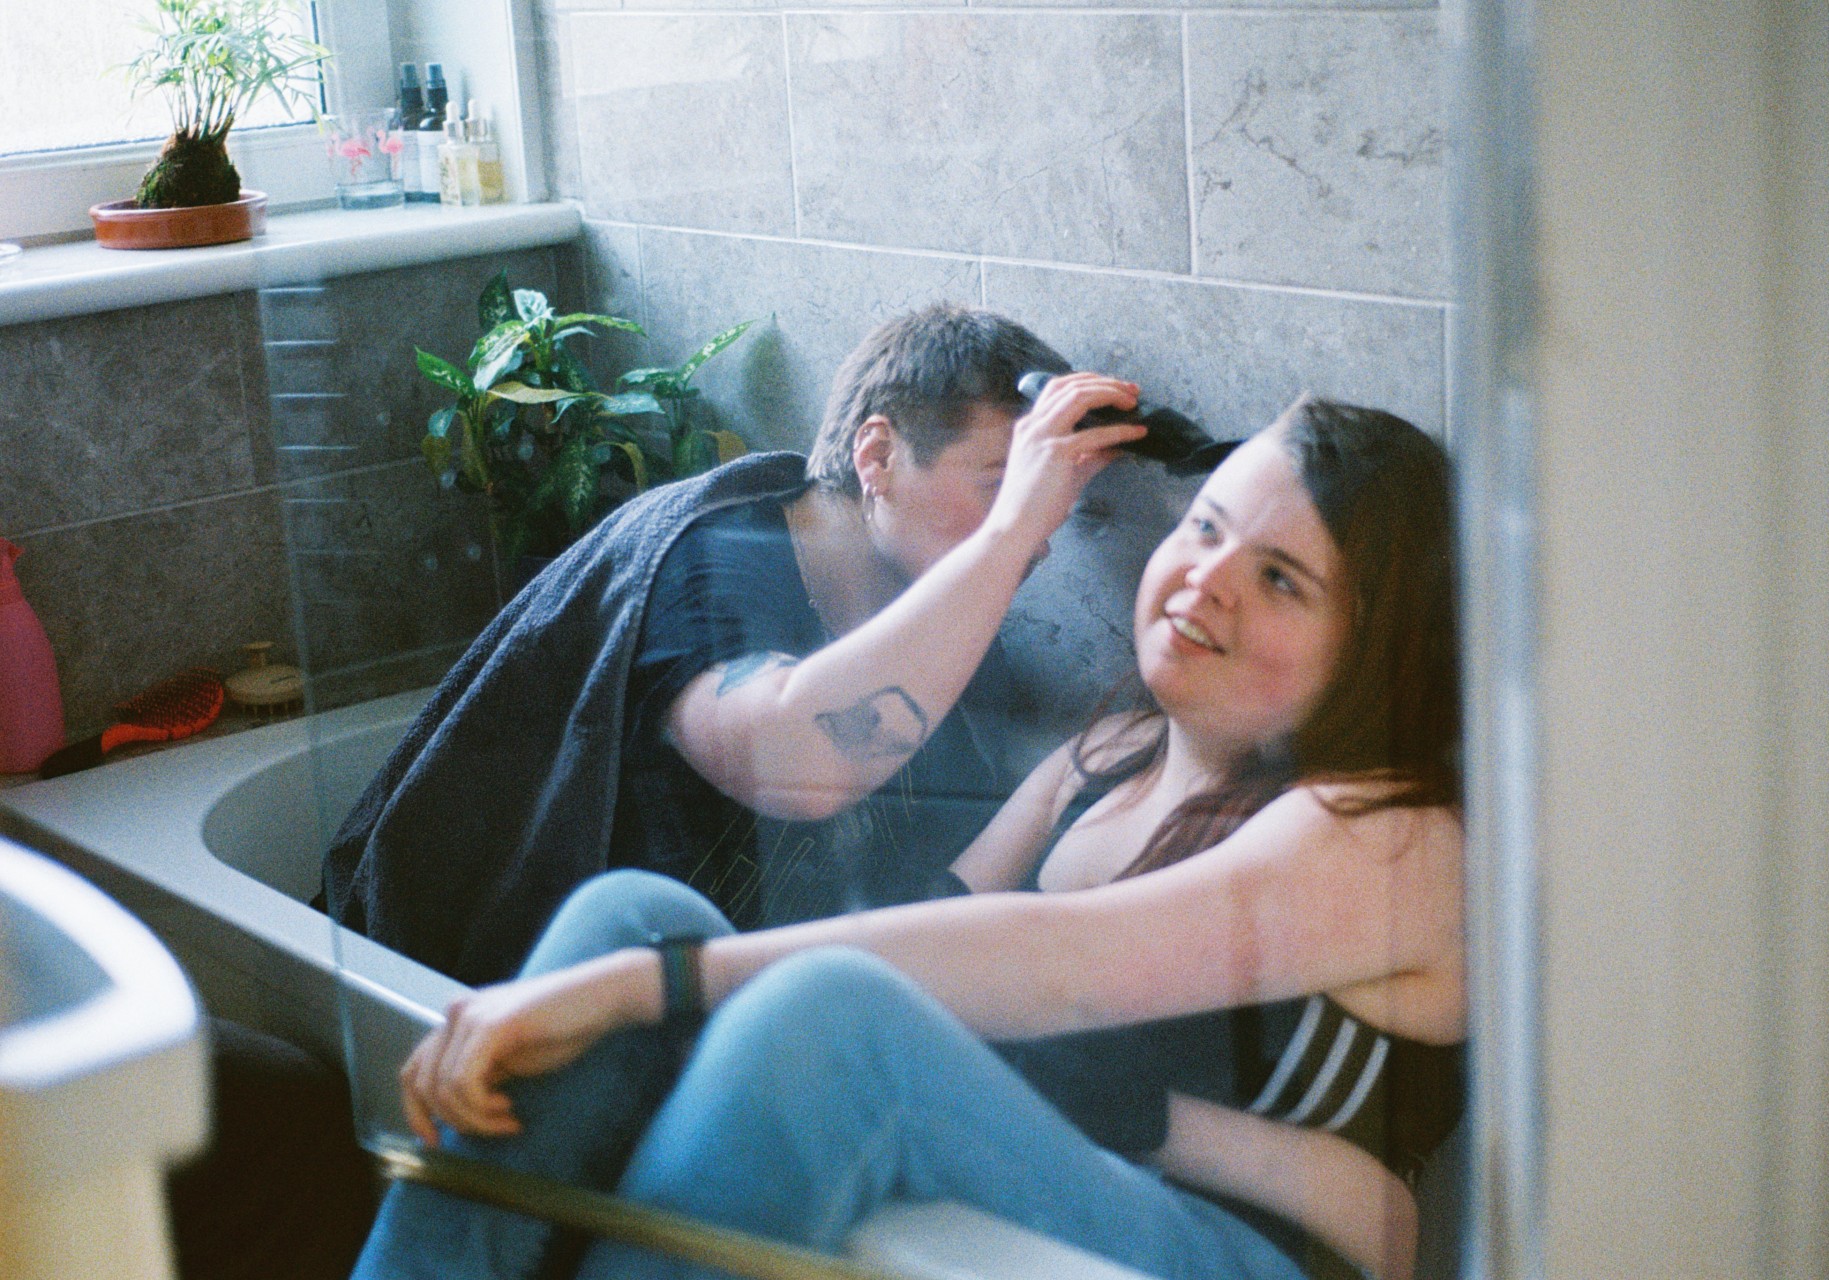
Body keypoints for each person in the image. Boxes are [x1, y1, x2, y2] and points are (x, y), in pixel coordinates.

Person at [352, 397, 1464, 1280]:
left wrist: (656, 988)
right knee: (629, 913)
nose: (1207, 577)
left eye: (1281, 578)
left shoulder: (1390, 834)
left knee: (820, 1013)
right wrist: (647, 964)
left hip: (1240, 1254)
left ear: (1374, 654)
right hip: (1078, 1175)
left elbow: (1054, 971)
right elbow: (937, 935)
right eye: (1207, 524)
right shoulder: (1110, 754)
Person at [323, 305, 1148, 983]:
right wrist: (1005, 535)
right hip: (478, 999)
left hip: (705, 1018)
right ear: (878, 454)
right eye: (1002, 483)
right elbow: (790, 761)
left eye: (1052, 502)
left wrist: (1058, 781)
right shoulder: (712, 559)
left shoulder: (948, 638)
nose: (1038, 533)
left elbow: (914, 924)